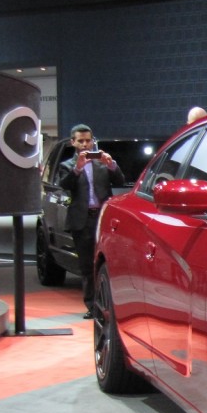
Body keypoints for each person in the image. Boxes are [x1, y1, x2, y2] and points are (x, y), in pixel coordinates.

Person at [59, 123, 126, 318]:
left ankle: (108, 304)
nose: (85, 145)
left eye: (88, 141)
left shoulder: (102, 164)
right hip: (82, 221)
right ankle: (92, 306)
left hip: (103, 219)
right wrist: (77, 169)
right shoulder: (68, 166)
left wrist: (111, 165)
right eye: (80, 141)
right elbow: (65, 185)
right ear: (73, 142)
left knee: (107, 263)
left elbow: (120, 181)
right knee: (87, 266)